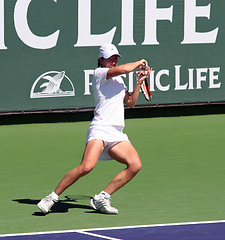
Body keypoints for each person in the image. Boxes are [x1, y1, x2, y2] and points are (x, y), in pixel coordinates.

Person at [37, 44, 152, 214]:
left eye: (115, 58)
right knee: (86, 167)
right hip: (100, 128)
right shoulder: (99, 74)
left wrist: (139, 83)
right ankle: (51, 197)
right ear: (101, 60)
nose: (113, 60)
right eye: (110, 58)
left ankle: (102, 197)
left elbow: (130, 103)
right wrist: (139, 62)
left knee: (135, 165)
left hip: (116, 132)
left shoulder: (119, 80)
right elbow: (124, 69)